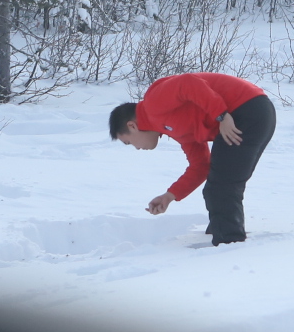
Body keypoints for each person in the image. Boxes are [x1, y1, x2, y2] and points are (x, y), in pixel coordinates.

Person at [109, 72, 276, 246]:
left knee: (220, 186)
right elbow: (201, 165)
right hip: (251, 112)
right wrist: (170, 195)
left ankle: (228, 246)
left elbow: (187, 83)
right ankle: (222, 237)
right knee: (221, 183)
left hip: (245, 109)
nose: (137, 148)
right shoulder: (171, 126)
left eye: (128, 142)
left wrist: (222, 115)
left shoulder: (153, 104)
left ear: (132, 126)